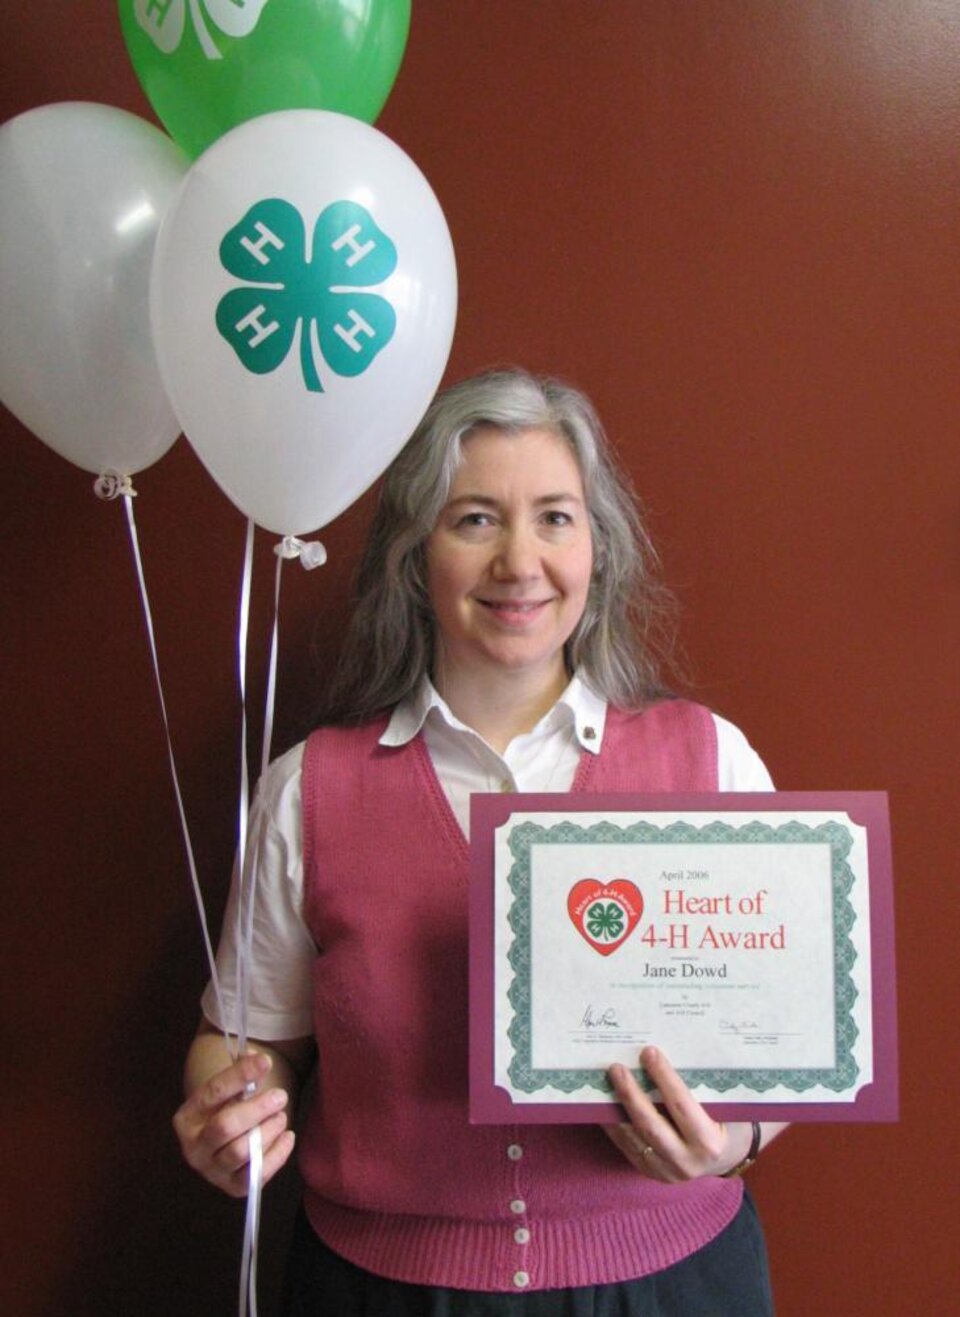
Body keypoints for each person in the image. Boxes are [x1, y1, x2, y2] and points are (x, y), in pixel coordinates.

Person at [174, 368, 787, 1315]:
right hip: (378, 1291)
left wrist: (737, 1138)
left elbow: (795, 1040)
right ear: (416, 557)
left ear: (599, 548)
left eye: (554, 516)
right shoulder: (309, 787)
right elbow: (243, 1040)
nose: (520, 561)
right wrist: (231, 1112)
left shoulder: (711, 761)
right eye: (474, 519)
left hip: (671, 1284)